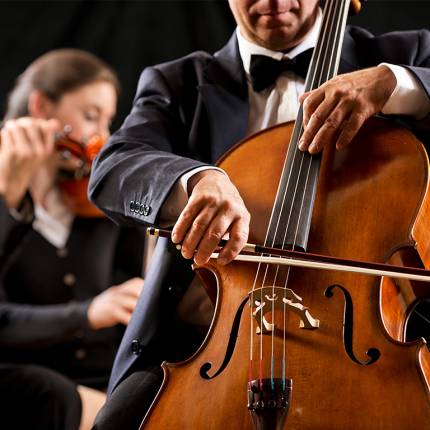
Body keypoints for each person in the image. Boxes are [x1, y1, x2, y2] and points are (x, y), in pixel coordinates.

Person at [88, 1, 430, 428]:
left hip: (369, 338)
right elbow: (112, 169)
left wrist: (395, 83)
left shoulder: (407, 56)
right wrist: (195, 180)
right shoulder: (178, 82)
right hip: (204, 348)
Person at [0, 49, 145, 429]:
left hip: (106, 379)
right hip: (33, 387)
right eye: (90, 116)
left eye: (107, 121)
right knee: (50, 394)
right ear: (41, 107)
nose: (104, 137)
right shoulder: (5, 201)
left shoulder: (98, 201)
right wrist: (6, 198)